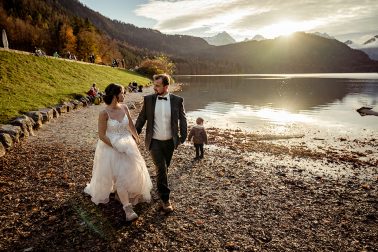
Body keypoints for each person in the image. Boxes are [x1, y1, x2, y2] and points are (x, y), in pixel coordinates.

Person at [84, 83, 152, 221]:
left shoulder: (125, 107)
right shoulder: (104, 113)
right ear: (115, 95)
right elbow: (102, 135)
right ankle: (127, 209)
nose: (124, 95)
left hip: (128, 144)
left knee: (133, 170)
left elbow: (130, 124)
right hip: (111, 147)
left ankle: (122, 193)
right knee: (120, 177)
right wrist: (116, 147)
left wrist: (136, 137)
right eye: (122, 93)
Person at [135, 74, 187, 213]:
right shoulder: (149, 100)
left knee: (164, 168)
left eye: (157, 85)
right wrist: (135, 133)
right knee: (162, 168)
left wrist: (183, 136)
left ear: (166, 86)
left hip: (170, 142)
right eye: (154, 84)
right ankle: (165, 199)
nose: (154, 87)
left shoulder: (177, 100)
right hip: (154, 141)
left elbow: (183, 119)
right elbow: (142, 118)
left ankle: (159, 184)